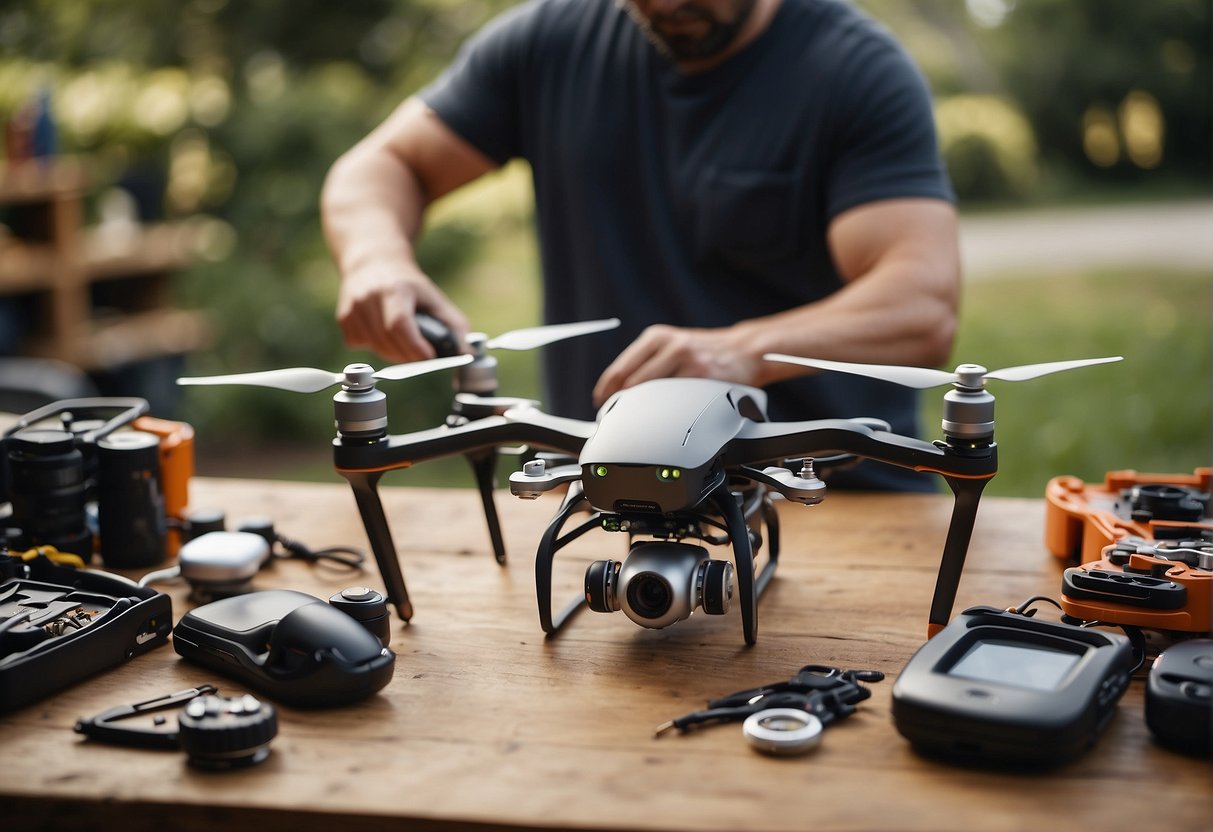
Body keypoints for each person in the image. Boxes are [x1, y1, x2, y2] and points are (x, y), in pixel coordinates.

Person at [321, 0, 961, 490]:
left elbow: (920, 303)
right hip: (609, 496)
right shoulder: (547, 43)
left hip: (828, 498)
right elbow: (383, 164)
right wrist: (376, 258)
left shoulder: (856, 71)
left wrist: (738, 352)